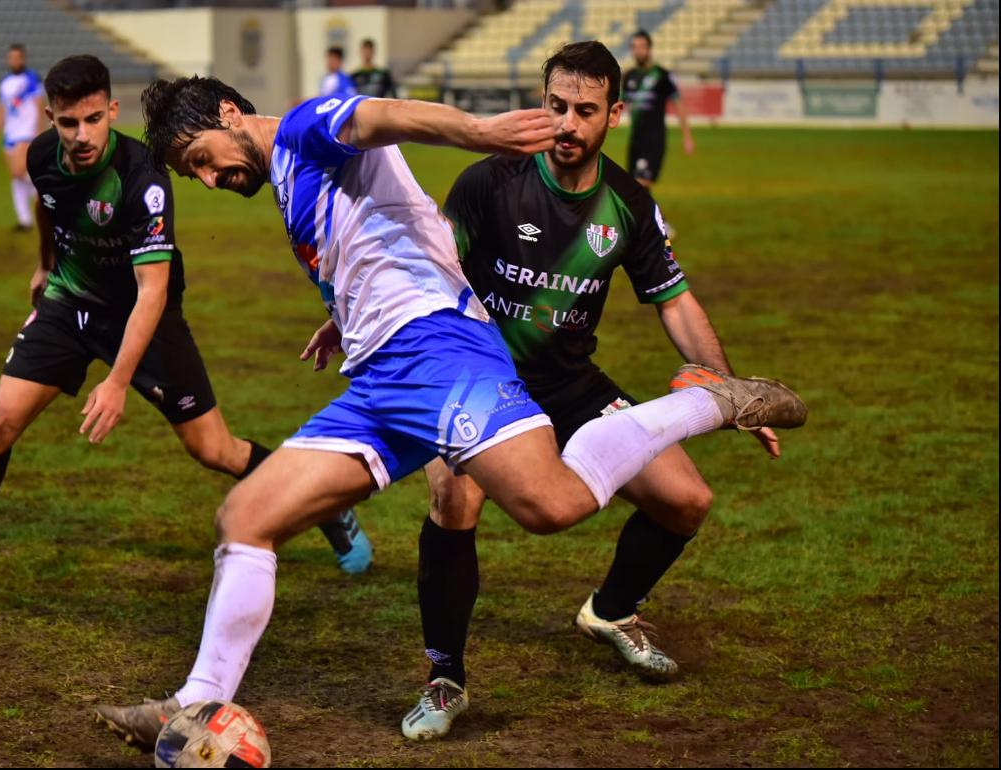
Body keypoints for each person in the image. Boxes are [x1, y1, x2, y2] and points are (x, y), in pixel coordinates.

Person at [92, 75, 806, 750]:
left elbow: (378, 116)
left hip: (439, 351)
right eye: (196, 178)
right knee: (245, 517)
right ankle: (195, 702)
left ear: (226, 115)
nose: (212, 180)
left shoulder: (304, 127)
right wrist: (345, 312)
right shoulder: (288, 173)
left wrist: (478, 131)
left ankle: (707, 404)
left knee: (550, 505)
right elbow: (387, 229)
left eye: (202, 162)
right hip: (377, 380)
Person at [400, 40, 781, 741]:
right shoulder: (491, 181)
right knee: (454, 495)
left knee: (686, 500)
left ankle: (609, 610)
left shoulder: (630, 205)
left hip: (573, 384)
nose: (566, 124)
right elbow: (429, 266)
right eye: (555, 107)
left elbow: (675, 302)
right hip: (485, 377)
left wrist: (730, 392)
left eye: (584, 110)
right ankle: (445, 676)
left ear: (613, 115)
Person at [0, 56, 371, 599]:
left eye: (93, 119)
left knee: (214, 450)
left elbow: (152, 291)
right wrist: (46, 264)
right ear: (50, 118)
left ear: (111, 110)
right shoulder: (41, 156)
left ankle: (331, 510)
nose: (82, 134)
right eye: (68, 123)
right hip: (69, 306)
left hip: (145, 316)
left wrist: (118, 381)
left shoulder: (143, 178)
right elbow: (50, 206)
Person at [622, 30, 692, 236]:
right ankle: (645, 225)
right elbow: (620, 103)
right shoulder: (629, 77)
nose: (638, 51)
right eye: (634, 47)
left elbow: (678, 103)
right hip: (635, 139)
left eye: (642, 46)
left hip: (654, 139)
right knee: (635, 186)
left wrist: (687, 136)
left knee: (641, 184)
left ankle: (661, 224)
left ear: (649, 49)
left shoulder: (661, 75)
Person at [0, 44, 45, 232]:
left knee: (19, 172)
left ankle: (45, 194)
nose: (14, 61)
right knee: (16, 177)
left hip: (26, 133)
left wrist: (39, 131)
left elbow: (39, 106)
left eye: (17, 57)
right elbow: (1, 111)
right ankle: (24, 219)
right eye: (11, 57)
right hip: (10, 134)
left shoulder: (32, 79)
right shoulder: (5, 83)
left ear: (23, 58)